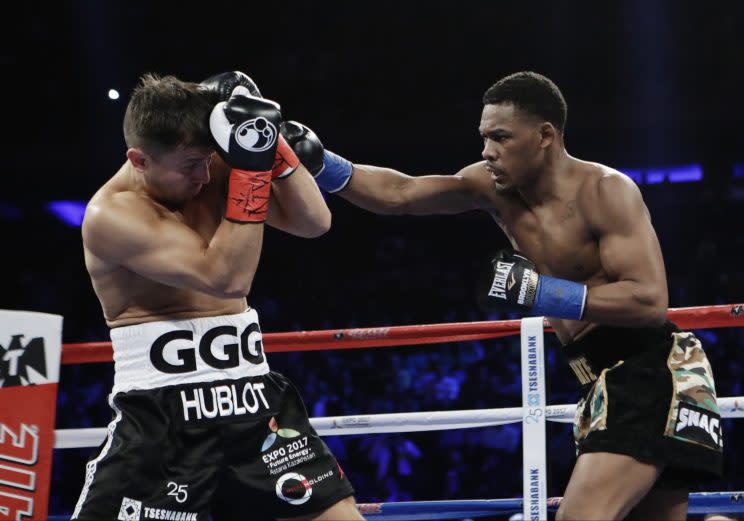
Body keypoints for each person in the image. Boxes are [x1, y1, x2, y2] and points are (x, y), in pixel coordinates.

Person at [280, 71, 723, 520]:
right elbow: (402, 193)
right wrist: (321, 164)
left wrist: (538, 292)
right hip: (601, 378)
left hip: (648, 371)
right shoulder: (493, 188)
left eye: (500, 137)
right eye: (484, 137)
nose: (486, 151)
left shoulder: (606, 191)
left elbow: (649, 302)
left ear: (545, 135)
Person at [73, 71, 362, 521]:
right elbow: (226, 278)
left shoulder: (211, 166)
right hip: (165, 413)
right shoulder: (111, 214)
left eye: (210, 158)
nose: (205, 174)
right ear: (140, 159)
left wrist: (269, 145)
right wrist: (250, 170)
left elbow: (314, 222)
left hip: (254, 399)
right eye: (190, 164)